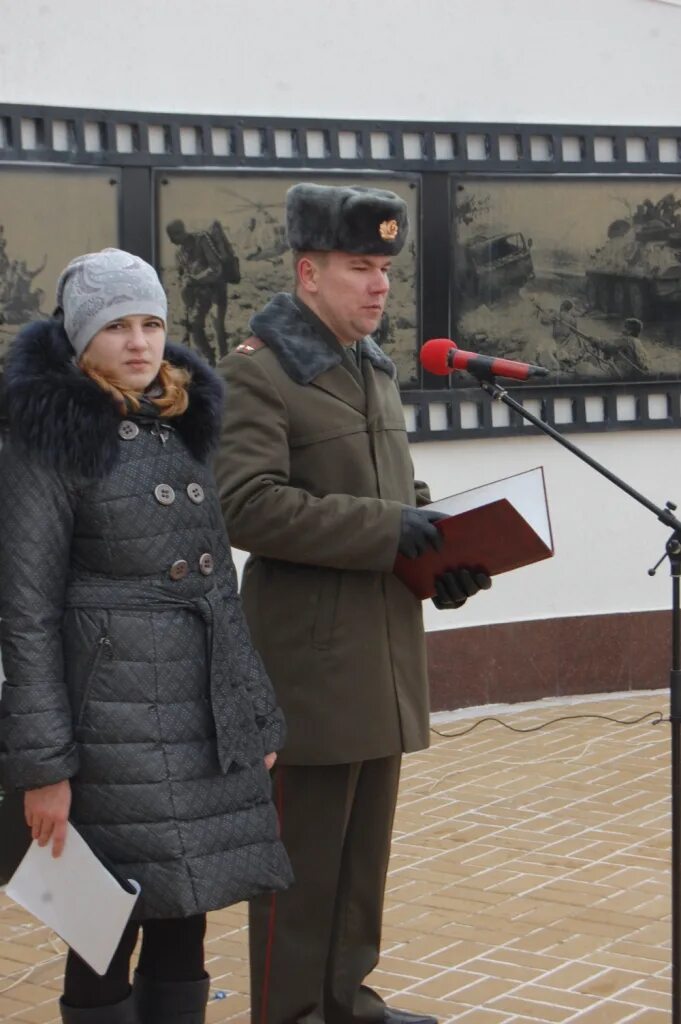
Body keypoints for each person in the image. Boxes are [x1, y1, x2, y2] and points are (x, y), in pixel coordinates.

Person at [215, 183, 491, 1024]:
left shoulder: (369, 368)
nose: (378, 285)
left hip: (380, 652)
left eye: (384, 269)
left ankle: (346, 1001)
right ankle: (291, 1012)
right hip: (308, 661)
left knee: (360, 861)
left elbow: (391, 493)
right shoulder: (258, 372)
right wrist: (388, 529)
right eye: (358, 267)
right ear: (308, 272)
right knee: (300, 870)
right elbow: (247, 505)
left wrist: (441, 555)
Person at [0, 248, 292, 1024]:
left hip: (196, 720)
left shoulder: (180, 421)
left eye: (152, 324)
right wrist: (43, 767)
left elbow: (216, 590)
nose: (139, 343)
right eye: (116, 327)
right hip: (111, 727)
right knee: (103, 927)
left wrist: (252, 711)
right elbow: (24, 616)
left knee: (185, 912)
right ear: (77, 338)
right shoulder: (46, 438)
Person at [166, 219, 237, 364]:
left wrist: (196, 279)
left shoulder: (201, 240)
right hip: (200, 295)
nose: (171, 241)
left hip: (217, 289)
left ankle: (224, 363)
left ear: (180, 232)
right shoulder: (179, 253)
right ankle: (210, 360)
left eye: (173, 237)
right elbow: (181, 277)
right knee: (195, 328)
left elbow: (216, 269)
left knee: (218, 328)